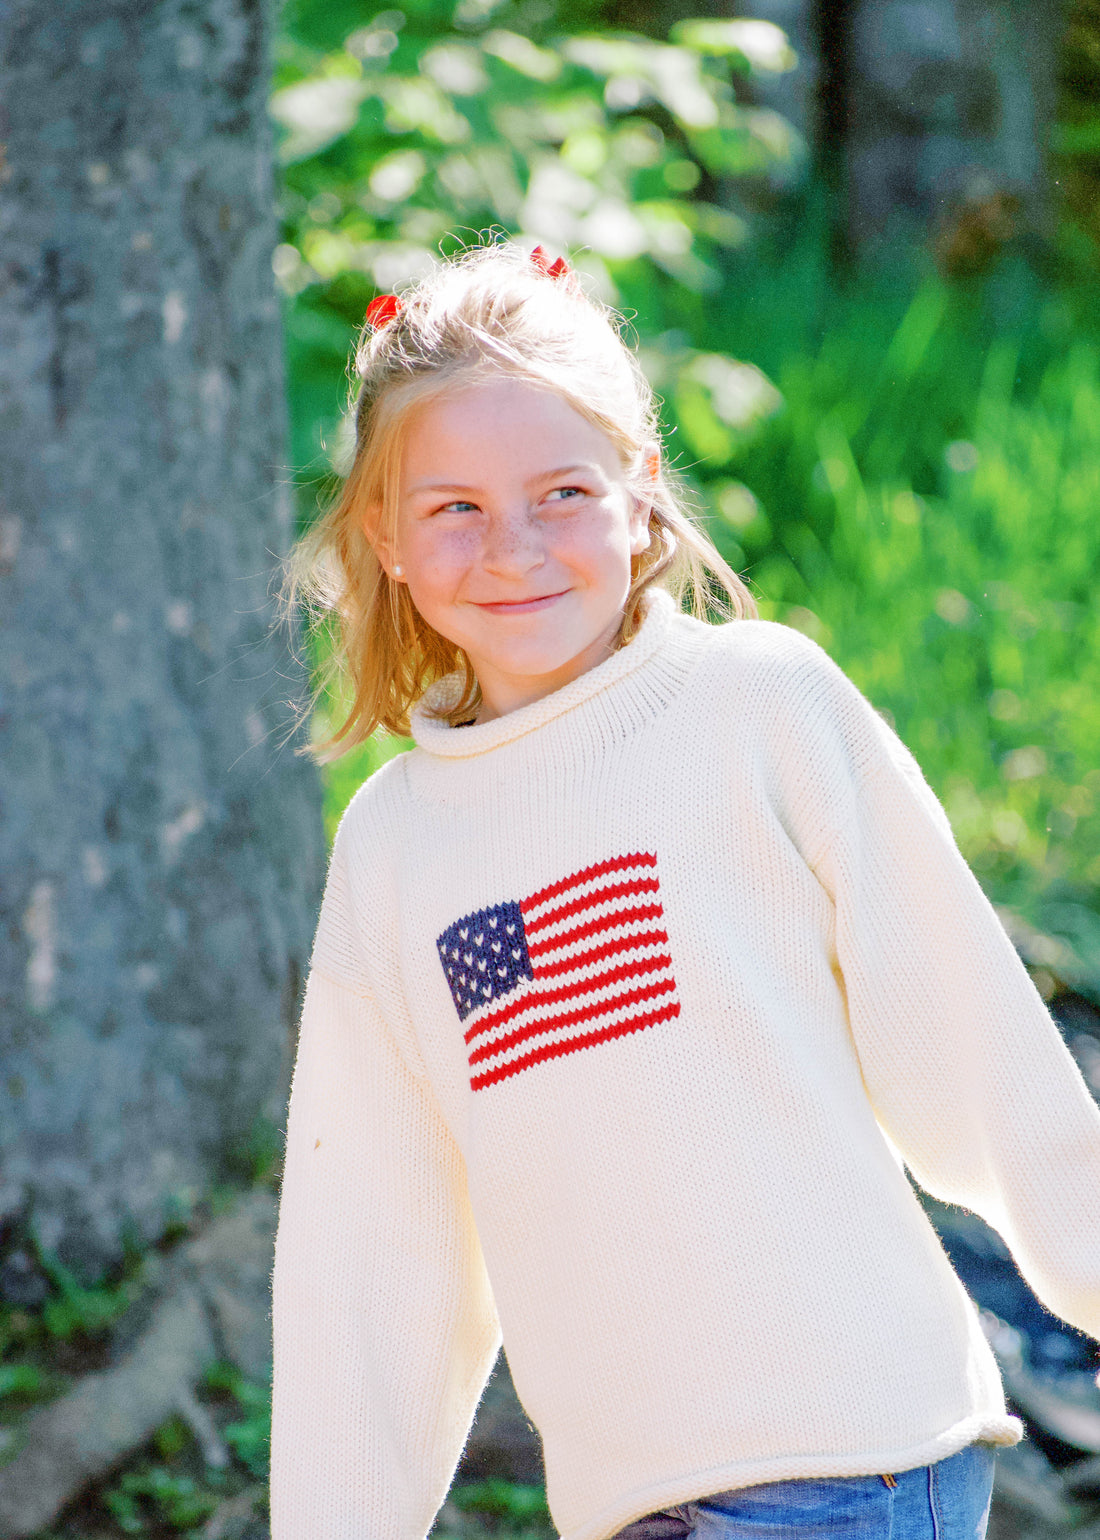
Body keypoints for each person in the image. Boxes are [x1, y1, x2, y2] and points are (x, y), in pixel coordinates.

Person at [270, 242, 1100, 1540]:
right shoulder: (395, 848)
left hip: (857, 1456)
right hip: (629, 1502)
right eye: (454, 510)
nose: (514, 549)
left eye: (560, 492)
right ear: (380, 533)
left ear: (642, 489)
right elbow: (377, 1243)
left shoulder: (757, 709)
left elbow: (973, 1052)